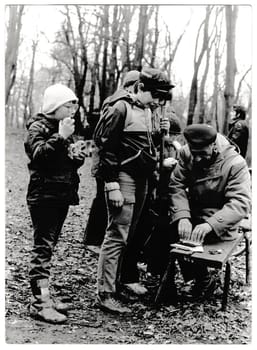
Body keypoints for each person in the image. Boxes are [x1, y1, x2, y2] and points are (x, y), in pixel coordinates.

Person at [94, 67, 174, 313]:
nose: (159, 102)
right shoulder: (120, 107)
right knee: (117, 232)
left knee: (130, 232)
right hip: (123, 177)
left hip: (143, 177)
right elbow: (105, 146)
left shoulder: (148, 111)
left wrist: (162, 132)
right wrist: (112, 184)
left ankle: (116, 286)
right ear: (140, 88)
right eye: (156, 96)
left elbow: (147, 145)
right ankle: (105, 293)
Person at [165, 123, 251, 302]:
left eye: (201, 154)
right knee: (165, 230)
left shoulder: (235, 163)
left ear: (214, 146)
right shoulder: (186, 153)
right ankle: (179, 282)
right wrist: (182, 216)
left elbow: (240, 203)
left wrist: (211, 224)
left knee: (194, 239)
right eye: (193, 154)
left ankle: (203, 279)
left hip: (220, 222)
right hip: (193, 215)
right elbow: (177, 185)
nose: (196, 160)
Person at [24, 83, 87, 324]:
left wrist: (76, 156)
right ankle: (40, 303)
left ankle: (45, 299)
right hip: (44, 197)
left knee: (48, 248)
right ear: (56, 106)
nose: (74, 108)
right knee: (43, 250)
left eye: (75, 103)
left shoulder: (63, 128)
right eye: (70, 104)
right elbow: (39, 156)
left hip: (60, 195)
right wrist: (61, 137)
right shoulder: (38, 127)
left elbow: (63, 162)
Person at [83, 70, 140, 254]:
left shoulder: (118, 100)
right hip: (105, 159)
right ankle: (92, 240)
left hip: (108, 158)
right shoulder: (116, 102)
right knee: (101, 199)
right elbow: (105, 137)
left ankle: (96, 239)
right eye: (136, 85)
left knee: (102, 199)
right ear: (130, 85)